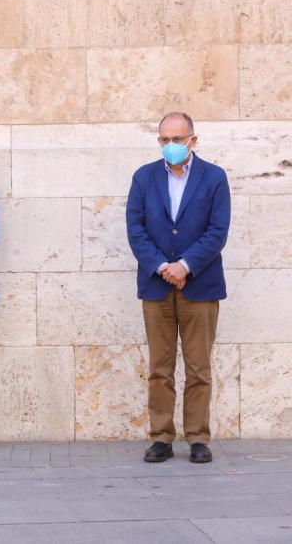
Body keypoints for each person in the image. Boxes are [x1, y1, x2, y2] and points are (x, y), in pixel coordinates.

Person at [127, 112, 230, 464]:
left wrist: (185, 266)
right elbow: (136, 229)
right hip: (156, 287)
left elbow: (217, 230)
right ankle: (161, 437)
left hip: (200, 286)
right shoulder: (143, 177)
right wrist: (162, 267)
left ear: (193, 140)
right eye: (164, 140)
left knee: (199, 368)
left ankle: (199, 438)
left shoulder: (214, 177)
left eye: (177, 139)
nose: (170, 146)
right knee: (160, 367)